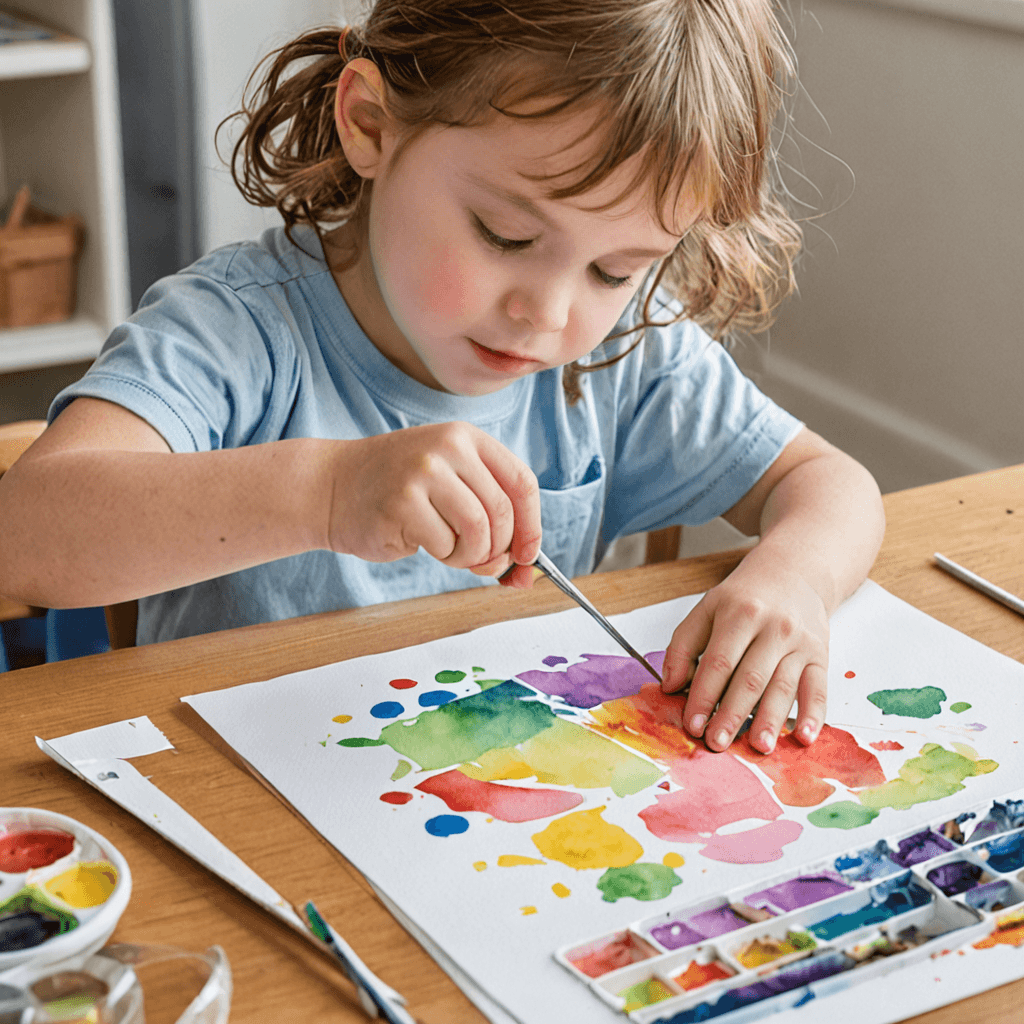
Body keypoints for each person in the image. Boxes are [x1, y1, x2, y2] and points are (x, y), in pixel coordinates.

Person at [0, 0, 884, 757]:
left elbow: (829, 484)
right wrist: (328, 493)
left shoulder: (623, 352)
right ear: (371, 125)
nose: (548, 314)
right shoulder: (238, 330)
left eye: (615, 270)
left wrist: (796, 578)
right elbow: (24, 536)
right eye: (505, 235)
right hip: (233, 814)